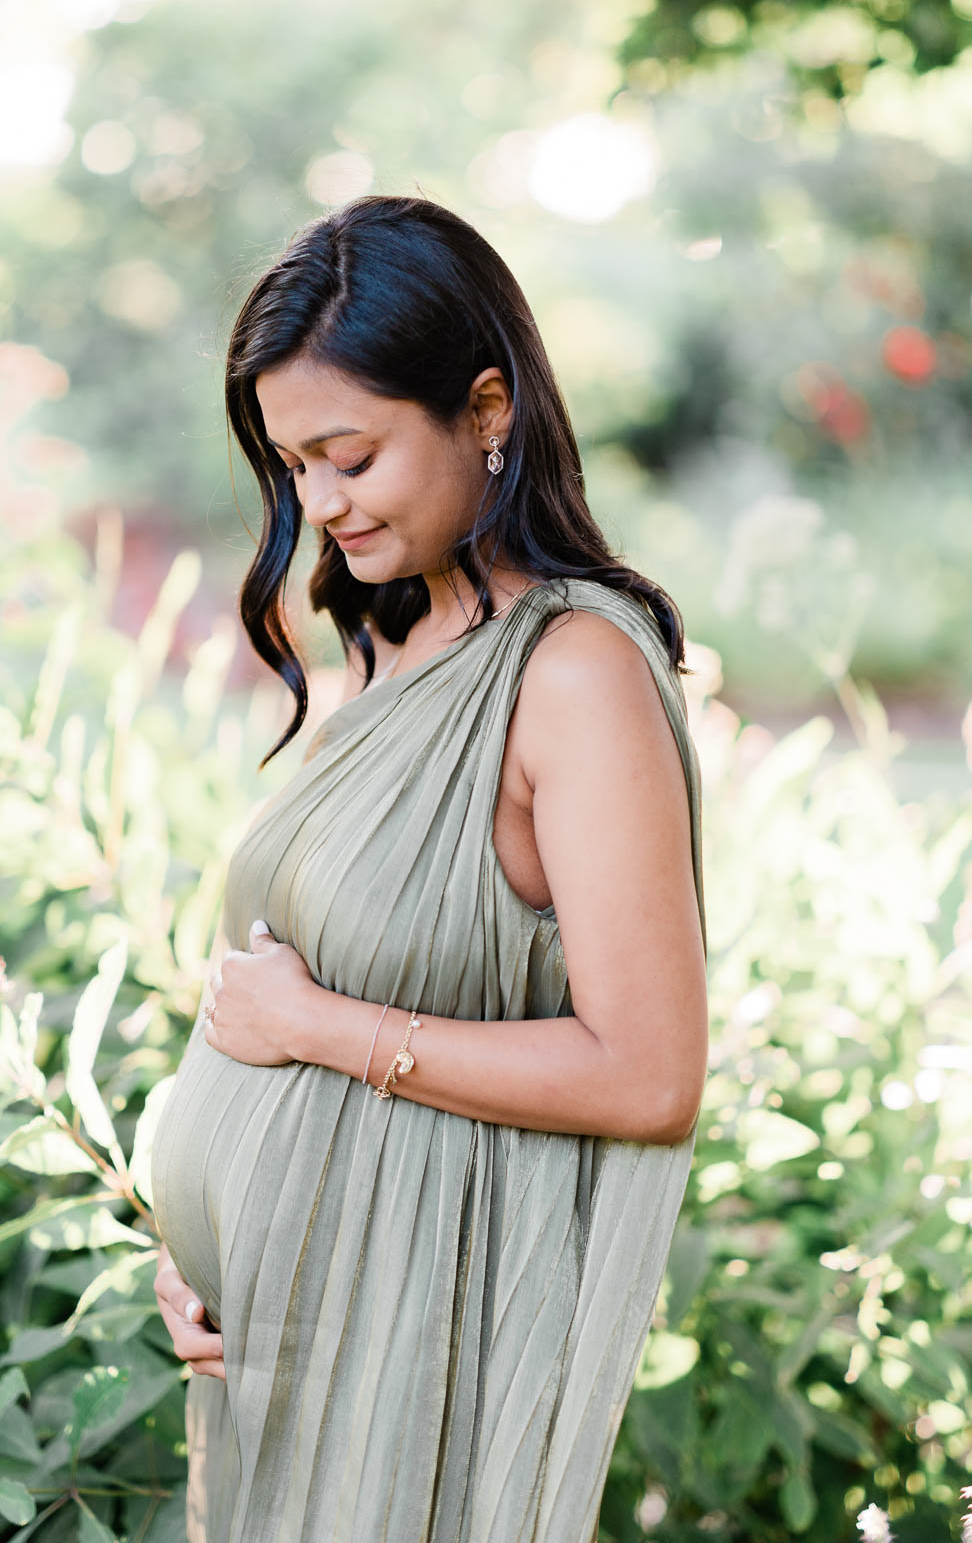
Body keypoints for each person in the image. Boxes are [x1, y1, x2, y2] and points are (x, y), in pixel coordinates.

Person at [148, 193, 709, 1543]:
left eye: (349, 455)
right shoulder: (396, 641)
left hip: (413, 1356)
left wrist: (318, 1031)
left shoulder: (570, 676)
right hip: (280, 1347)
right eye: (292, 466)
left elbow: (648, 1075)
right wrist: (199, 1250)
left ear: (487, 408)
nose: (318, 504)